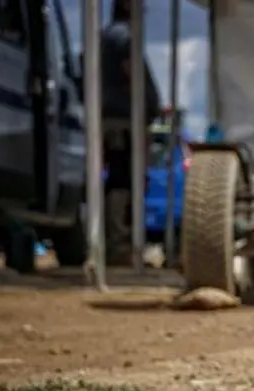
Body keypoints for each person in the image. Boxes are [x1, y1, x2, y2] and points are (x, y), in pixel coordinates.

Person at [99, 0, 162, 265]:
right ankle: (120, 243)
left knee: (119, 177)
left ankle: (117, 242)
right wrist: (147, 104)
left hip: (115, 116)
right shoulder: (123, 37)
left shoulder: (104, 37)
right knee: (123, 179)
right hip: (123, 118)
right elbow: (131, 71)